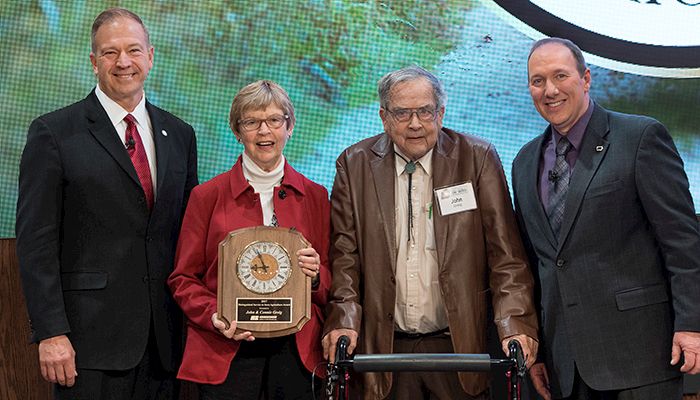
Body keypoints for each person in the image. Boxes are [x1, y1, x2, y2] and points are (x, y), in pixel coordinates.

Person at [322, 66, 539, 400]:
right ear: (383, 116)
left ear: (441, 113)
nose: (415, 123)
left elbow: (506, 257)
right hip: (384, 350)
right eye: (402, 113)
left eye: (425, 111)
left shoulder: (476, 158)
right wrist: (343, 318)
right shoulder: (354, 164)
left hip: (461, 348)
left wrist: (515, 324)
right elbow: (344, 258)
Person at [15, 7, 198, 399]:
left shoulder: (180, 135)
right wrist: (51, 332)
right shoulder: (54, 133)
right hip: (87, 346)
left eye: (133, 50)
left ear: (151, 56)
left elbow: (190, 235)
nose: (123, 62)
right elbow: (36, 243)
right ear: (94, 62)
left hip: (165, 343)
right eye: (110, 53)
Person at [512, 37, 700, 400]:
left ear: (585, 79)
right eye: (538, 81)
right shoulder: (523, 162)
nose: (549, 90)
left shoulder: (639, 137)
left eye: (560, 76)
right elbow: (537, 264)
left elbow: (683, 242)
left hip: (640, 358)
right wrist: (538, 348)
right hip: (565, 367)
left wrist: (692, 324)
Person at [167, 80, 331, 400]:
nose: (264, 132)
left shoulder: (315, 195)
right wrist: (214, 314)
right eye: (251, 122)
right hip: (227, 351)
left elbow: (333, 278)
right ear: (237, 131)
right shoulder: (206, 196)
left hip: (296, 353)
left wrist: (315, 278)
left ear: (290, 126)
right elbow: (183, 279)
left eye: (274, 120)